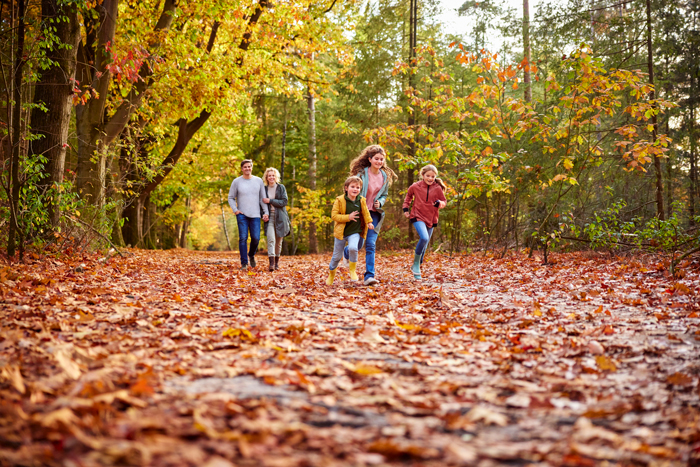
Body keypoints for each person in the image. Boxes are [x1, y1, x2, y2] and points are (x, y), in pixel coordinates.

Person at [342, 145, 398, 286]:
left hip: (374, 213)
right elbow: (352, 190)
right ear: (370, 159)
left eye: (382, 159)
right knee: (359, 244)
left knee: (370, 244)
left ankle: (369, 276)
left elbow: (384, 194)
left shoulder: (384, 176)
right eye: (376, 159)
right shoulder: (361, 174)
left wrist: (380, 201)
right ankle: (347, 252)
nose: (379, 162)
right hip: (360, 212)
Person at [402, 164, 447, 280]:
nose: (430, 179)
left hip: (431, 218)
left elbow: (444, 201)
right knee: (424, 238)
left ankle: (418, 262)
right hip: (417, 215)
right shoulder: (415, 186)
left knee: (425, 244)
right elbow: (408, 197)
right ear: (422, 175)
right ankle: (416, 264)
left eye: (433, 176)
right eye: (428, 176)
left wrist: (439, 204)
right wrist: (406, 209)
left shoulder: (437, 188)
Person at [327, 176, 374, 286]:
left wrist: (369, 222)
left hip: (355, 231)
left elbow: (366, 213)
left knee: (353, 248)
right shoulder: (340, 200)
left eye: (358, 187)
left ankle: (352, 270)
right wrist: (348, 217)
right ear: (346, 188)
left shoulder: (361, 200)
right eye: (352, 187)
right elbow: (334, 216)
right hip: (341, 233)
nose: (355, 189)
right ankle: (331, 275)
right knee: (336, 257)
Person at [228, 159, 268, 270]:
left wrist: (266, 212)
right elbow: (231, 197)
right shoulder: (237, 182)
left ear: (252, 168)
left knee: (256, 238)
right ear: (241, 169)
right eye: (245, 167)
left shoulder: (258, 181)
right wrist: (235, 210)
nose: (247, 169)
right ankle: (244, 264)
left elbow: (262, 199)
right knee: (243, 238)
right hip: (242, 215)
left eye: (249, 166)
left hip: (255, 214)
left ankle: (251, 255)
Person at [262, 167, 291, 271]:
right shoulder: (264, 189)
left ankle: (277, 263)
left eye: (273, 175)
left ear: (276, 177)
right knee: (271, 239)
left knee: (278, 242)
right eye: (269, 175)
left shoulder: (281, 187)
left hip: (281, 217)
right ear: (266, 177)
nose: (271, 177)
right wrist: (263, 214)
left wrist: (270, 200)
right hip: (269, 217)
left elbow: (284, 202)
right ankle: (271, 264)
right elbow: (261, 203)